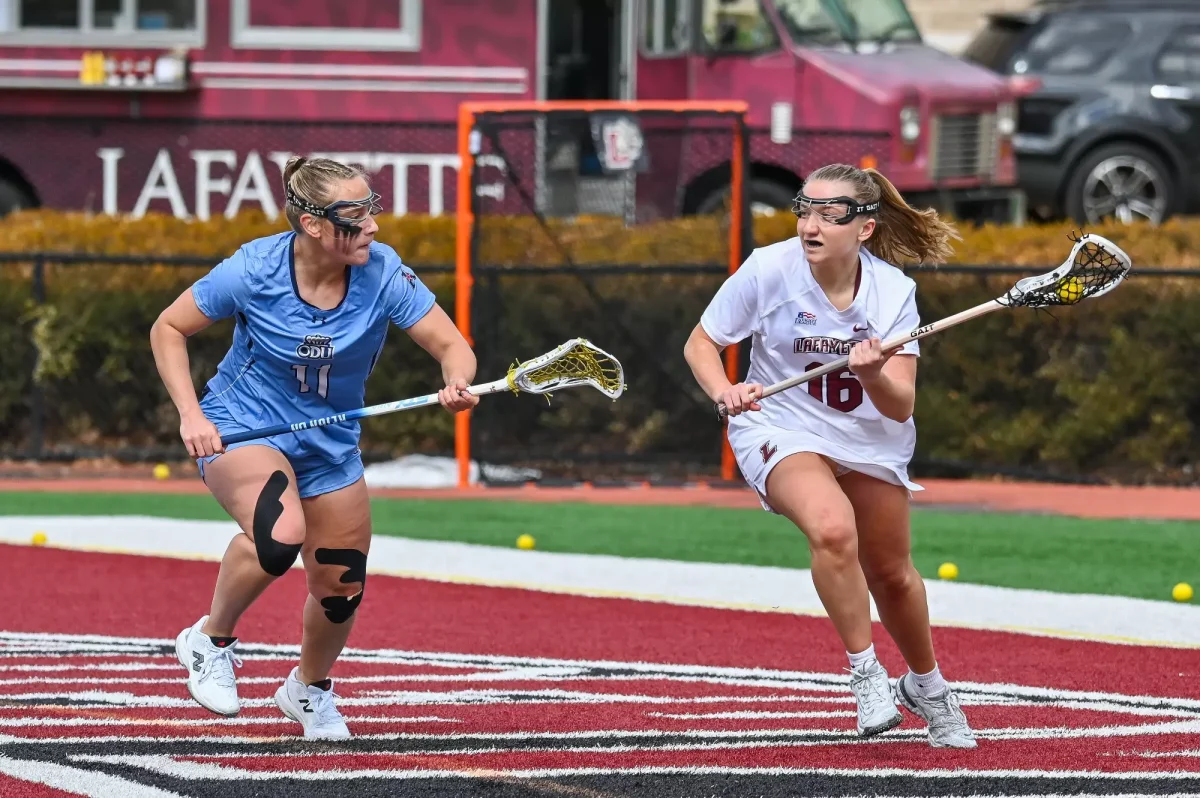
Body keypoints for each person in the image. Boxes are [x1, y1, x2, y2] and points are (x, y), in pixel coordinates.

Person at [149, 156, 478, 740]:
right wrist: (190, 415)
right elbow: (168, 328)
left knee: (342, 584)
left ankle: (308, 689)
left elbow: (452, 345)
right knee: (280, 537)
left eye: (372, 209)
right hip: (243, 427)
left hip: (330, 444)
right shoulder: (253, 268)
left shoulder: (381, 271)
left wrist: (457, 382)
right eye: (356, 216)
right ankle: (209, 640)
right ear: (312, 224)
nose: (372, 227)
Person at [683, 163, 976, 749]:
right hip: (780, 424)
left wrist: (871, 374)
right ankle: (865, 675)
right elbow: (702, 344)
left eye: (829, 215)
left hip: (868, 438)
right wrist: (726, 392)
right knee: (833, 528)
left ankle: (928, 686)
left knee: (892, 574)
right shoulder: (769, 269)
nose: (809, 225)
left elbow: (898, 407)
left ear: (864, 227)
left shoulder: (894, 292)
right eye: (803, 210)